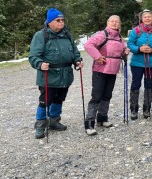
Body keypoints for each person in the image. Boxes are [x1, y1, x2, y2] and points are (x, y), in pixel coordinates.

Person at [29, 8, 83, 139]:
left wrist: (77, 61)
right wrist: (40, 64)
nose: (61, 22)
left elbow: (75, 52)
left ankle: (54, 121)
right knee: (45, 100)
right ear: (49, 22)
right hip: (49, 75)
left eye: (62, 20)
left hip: (65, 75)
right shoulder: (41, 36)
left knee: (59, 99)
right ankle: (40, 125)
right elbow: (33, 56)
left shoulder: (67, 35)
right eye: (57, 20)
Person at [83, 15, 129, 135]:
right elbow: (88, 45)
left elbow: (123, 49)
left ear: (119, 24)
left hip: (113, 70)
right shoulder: (102, 34)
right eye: (112, 21)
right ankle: (89, 123)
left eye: (117, 22)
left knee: (107, 95)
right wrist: (97, 57)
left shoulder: (119, 37)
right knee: (96, 96)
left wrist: (125, 51)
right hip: (100, 70)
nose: (114, 23)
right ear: (107, 22)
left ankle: (102, 119)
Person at [127, 10, 152, 120]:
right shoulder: (136, 30)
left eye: (149, 17)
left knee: (149, 84)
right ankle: (133, 109)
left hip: (151, 63)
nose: (147, 18)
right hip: (137, 63)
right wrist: (139, 49)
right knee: (135, 84)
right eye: (145, 17)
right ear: (141, 19)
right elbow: (130, 44)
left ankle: (147, 108)